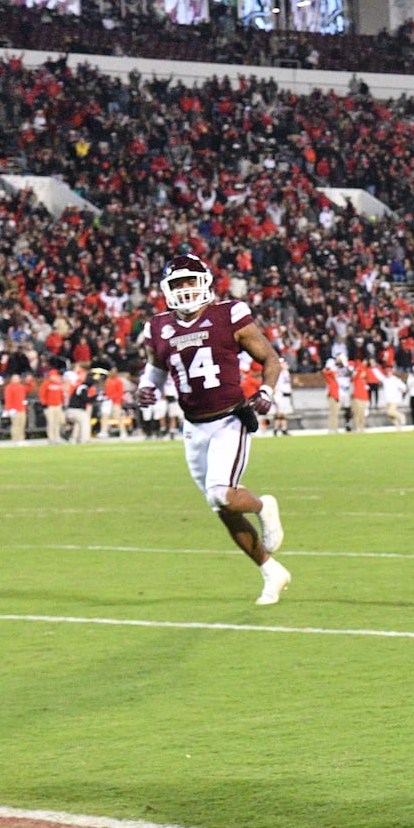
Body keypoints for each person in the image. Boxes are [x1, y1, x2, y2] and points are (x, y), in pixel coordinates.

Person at [136, 254, 291, 604]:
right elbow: (156, 368)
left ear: (204, 282)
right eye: (178, 284)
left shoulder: (229, 314)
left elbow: (270, 358)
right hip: (193, 428)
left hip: (228, 421)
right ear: (167, 290)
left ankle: (264, 505)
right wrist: (148, 385)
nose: (185, 289)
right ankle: (271, 571)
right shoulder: (157, 327)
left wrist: (266, 391)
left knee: (221, 493)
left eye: (190, 281)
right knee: (220, 507)